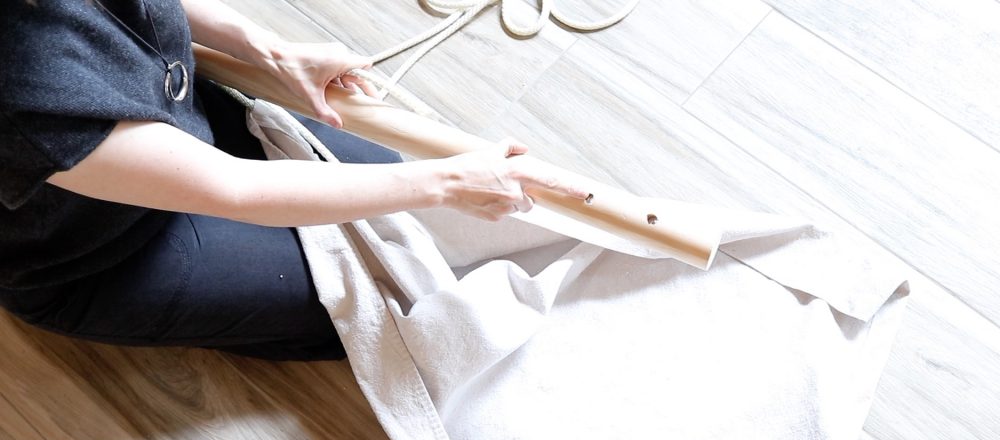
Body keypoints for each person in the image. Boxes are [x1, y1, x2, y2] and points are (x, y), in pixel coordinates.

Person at [0, 0, 586, 361]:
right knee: (387, 298)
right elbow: (236, 189)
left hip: (162, 117)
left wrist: (276, 54)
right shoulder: (22, 91)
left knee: (396, 194)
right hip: (95, 256)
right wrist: (451, 180)